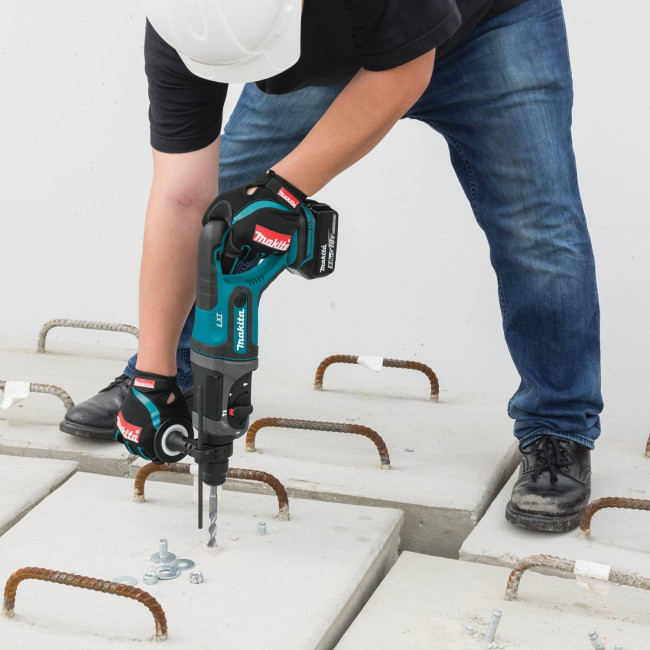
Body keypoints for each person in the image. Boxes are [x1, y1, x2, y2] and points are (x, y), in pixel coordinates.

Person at [61, 0, 602, 533]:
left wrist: (282, 193)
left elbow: (405, 70)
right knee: (224, 214)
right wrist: (151, 374)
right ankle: (168, 380)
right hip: (335, 44)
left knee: (539, 229)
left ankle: (557, 428)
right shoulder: (181, 21)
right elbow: (182, 199)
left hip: (493, 24)